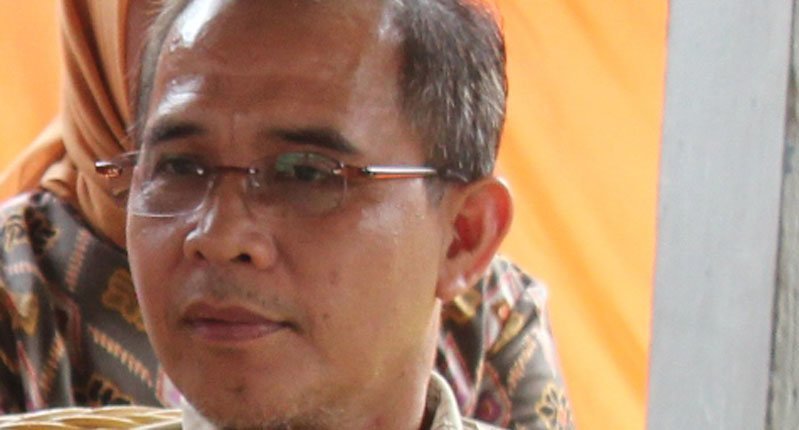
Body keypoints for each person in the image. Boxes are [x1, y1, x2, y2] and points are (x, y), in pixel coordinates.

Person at [0, 1, 572, 428]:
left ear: (463, 238)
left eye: (306, 174)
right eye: (179, 167)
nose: (220, 236)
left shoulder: (500, 311)